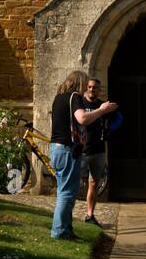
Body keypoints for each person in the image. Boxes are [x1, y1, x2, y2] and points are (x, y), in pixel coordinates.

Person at [49, 70, 117, 240]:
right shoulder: (75, 97)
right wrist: (101, 110)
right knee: (67, 193)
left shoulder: (59, 98)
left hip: (55, 147)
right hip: (67, 149)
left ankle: (65, 229)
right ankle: (60, 231)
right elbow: (82, 119)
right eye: (85, 84)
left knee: (63, 191)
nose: (86, 87)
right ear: (79, 83)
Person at [81, 75, 109, 225]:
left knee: (94, 183)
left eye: (95, 87)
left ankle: (89, 214)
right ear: (86, 87)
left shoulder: (103, 105)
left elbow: (118, 118)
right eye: (89, 87)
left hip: (98, 150)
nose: (92, 89)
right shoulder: (79, 103)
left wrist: (109, 130)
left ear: (99, 90)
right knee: (77, 182)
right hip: (81, 150)